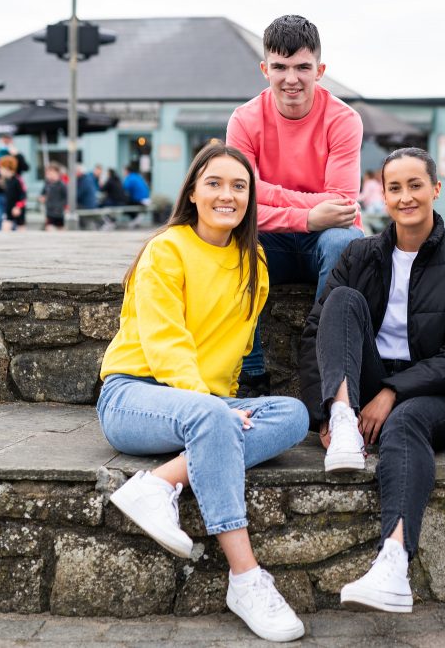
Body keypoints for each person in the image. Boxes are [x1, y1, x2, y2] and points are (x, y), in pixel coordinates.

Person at [98, 140, 309, 642]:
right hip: (133, 397)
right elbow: (165, 340)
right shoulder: (166, 250)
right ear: (193, 191)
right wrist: (210, 407)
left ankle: (160, 482)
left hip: (204, 406)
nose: (227, 195)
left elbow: (232, 350)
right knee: (215, 419)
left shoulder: (253, 262)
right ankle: (246, 578)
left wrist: (218, 407)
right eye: (214, 183)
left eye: (239, 186)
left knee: (294, 414)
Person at [299, 148, 445, 612]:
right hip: (362, 385)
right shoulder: (359, 255)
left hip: (436, 393)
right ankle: (346, 422)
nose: (406, 197)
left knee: (405, 425)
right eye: (395, 188)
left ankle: (392, 564)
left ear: (435, 189)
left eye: (415, 185)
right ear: (382, 196)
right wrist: (328, 410)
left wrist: (392, 392)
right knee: (342, 300)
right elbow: (314, 336)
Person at [227, 14, 365, 398]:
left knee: (342, 242)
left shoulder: (343, 120)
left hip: (324, 241)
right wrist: (307, 215)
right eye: (280, 67)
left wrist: (265, 192)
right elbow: (241, 201)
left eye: (303, 67)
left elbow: (340, 204)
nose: (292, 78)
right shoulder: (244, 120)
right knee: (232, 239)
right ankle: (251, 377)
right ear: (264, 69)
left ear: (319, 70)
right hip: (273, 240)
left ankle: (323, 376)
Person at [0, 134, 29, 232]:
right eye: (4, 138)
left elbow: (25, 168)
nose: (6, 140)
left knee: (18, 225)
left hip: (14, 202)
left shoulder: (16, 155)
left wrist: (17, 155)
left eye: (8, 138)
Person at [0, 155, 27, 231]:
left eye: (1, 168)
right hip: (9, 208)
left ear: (7, 168)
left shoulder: (18, 180)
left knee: (21, 228)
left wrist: (18, 207)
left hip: (18, 209)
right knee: (5, 227)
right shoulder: (8, 180)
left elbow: (23, 195)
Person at [39, 163, 68, 231]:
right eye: (48, 173)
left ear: (57, 173)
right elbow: (43, 194)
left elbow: (65, 198)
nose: (50, 175)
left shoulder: (62, 185)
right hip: (49, 211)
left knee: (61, 228)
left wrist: (63, 207)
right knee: (49, 228)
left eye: (51, 173)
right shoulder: (47, 184)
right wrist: (42, 198)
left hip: (59, 212)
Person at [76, 163, 99, 229]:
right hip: (90, 205)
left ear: (80, 172)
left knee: (74, 207)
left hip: (87, 206)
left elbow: (78, 195)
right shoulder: (87, 179)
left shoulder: (84, 181)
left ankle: (82, 227)